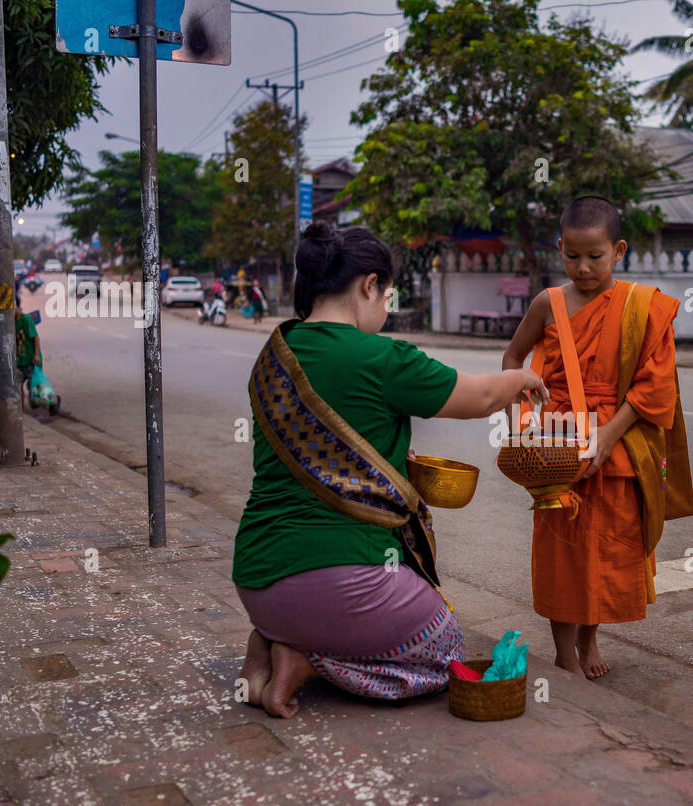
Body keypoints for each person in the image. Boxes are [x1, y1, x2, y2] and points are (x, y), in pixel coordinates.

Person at [232, 220, 547, 718]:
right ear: (368, 285)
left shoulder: (272, 356)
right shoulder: (382, 357)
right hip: (341, 583)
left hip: (255, 579)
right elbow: (482, 397)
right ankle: (306, 661)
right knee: (445, 649)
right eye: (387, 296)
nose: (386, 308)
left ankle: (274, 641)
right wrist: (521, 376)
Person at [501, 195, 693, 679]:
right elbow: (512, 361)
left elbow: (656, 383)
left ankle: (590, 641)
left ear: (619, 249)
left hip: (617, 444)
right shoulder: (548, 303)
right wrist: (523, 422)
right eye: (572, 256)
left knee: (606, 551)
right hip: (557, 445)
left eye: (596, 257)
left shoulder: (640, 306)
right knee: (561, 553)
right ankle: (564, 650)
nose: (584, 268)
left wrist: (609, 435)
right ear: (559, 247)